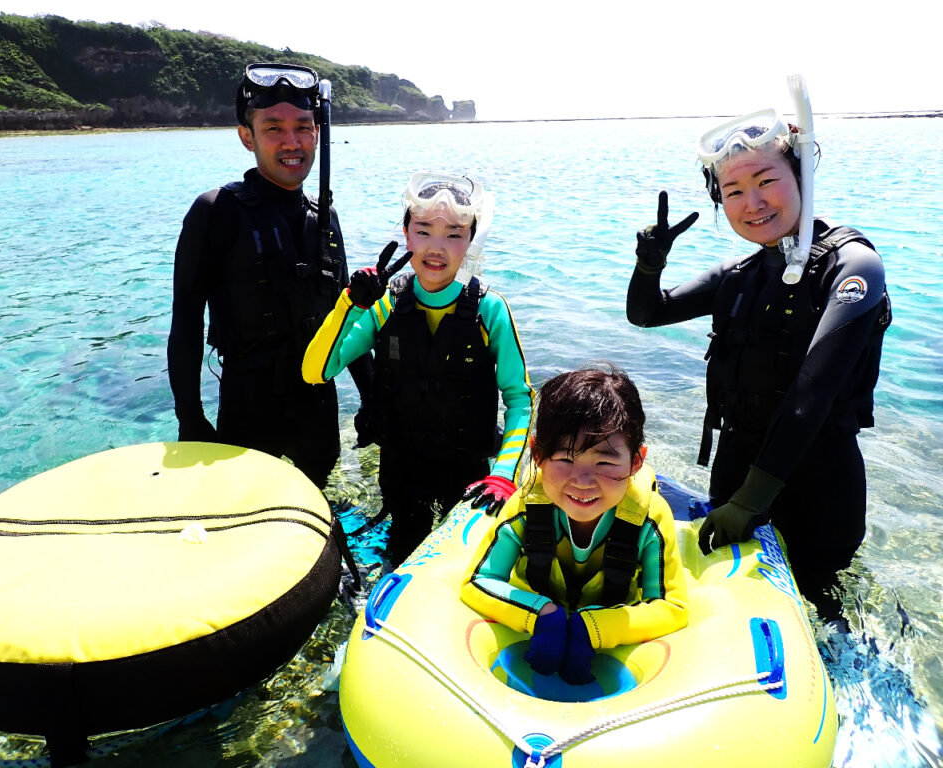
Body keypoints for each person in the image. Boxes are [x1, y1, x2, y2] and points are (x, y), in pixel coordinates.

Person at [626, 103, 891, 620]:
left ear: (801, 174)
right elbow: (646, 313)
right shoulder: (739, 272)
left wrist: (749, 503)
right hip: (737, 467)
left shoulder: (852, 266)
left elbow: (811, 396)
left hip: (820, 484)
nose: (752, 203)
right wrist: (649, 262)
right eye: (733, 192)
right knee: (735, 613)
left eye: (766, 180)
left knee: (825, 615)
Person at [302, 172, 533, 565]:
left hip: (469, 474)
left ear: (471, 242)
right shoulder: (385, 304)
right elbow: (316, 371)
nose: (436, 248)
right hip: (402, 470)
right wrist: (350, 303)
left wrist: (504, 474)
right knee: (403, 556)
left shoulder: (489, 310)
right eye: (424, 231)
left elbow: (520, 402)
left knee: (462, 567)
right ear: (406, 234)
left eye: (454, 234)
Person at [166, 62, 373, 489]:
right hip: (248, 411)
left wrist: (373, 399)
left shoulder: (324, 217)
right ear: (248, 136)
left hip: (318, 406)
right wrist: (190, 417)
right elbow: (186, 321)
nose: (292, 142)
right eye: (273, 128)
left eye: (303, 126)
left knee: (317, 514)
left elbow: (347, 318)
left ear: (318, 132)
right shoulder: (215, 212)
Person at [460, 365, 688, 684]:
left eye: (605, 462)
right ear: (537, 454)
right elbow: (477, 581)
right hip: (543, 608)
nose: (582, 482)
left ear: (636, 461)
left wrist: (593, 629)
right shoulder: (527, 504)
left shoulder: (650, 517)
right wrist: (540, 614)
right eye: (565, 460)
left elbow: (671, 606)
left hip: (609, 625)